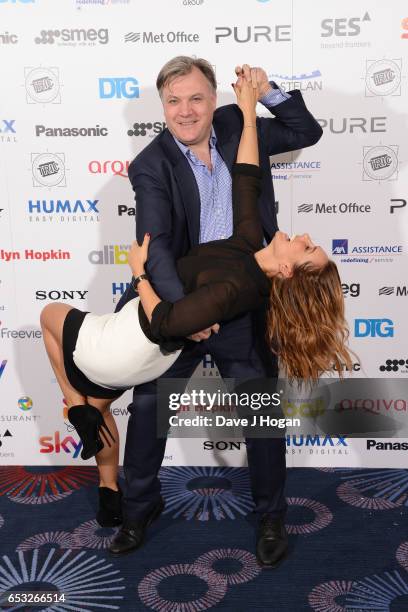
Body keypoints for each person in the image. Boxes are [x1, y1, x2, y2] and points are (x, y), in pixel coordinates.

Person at [40, 60, 332, 568]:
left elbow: (305, 130)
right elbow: (157, 247)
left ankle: (271, 516)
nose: (186, 111)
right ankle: (139, 508)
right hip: (180, 298)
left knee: (260, 411)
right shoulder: (151, 165)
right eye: (173, 101)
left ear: (213, 96)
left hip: (245, 295)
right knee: (151, 407)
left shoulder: (236, 124)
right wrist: (182, 314)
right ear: (162, 106)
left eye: (196, 98)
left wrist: (267, 93)